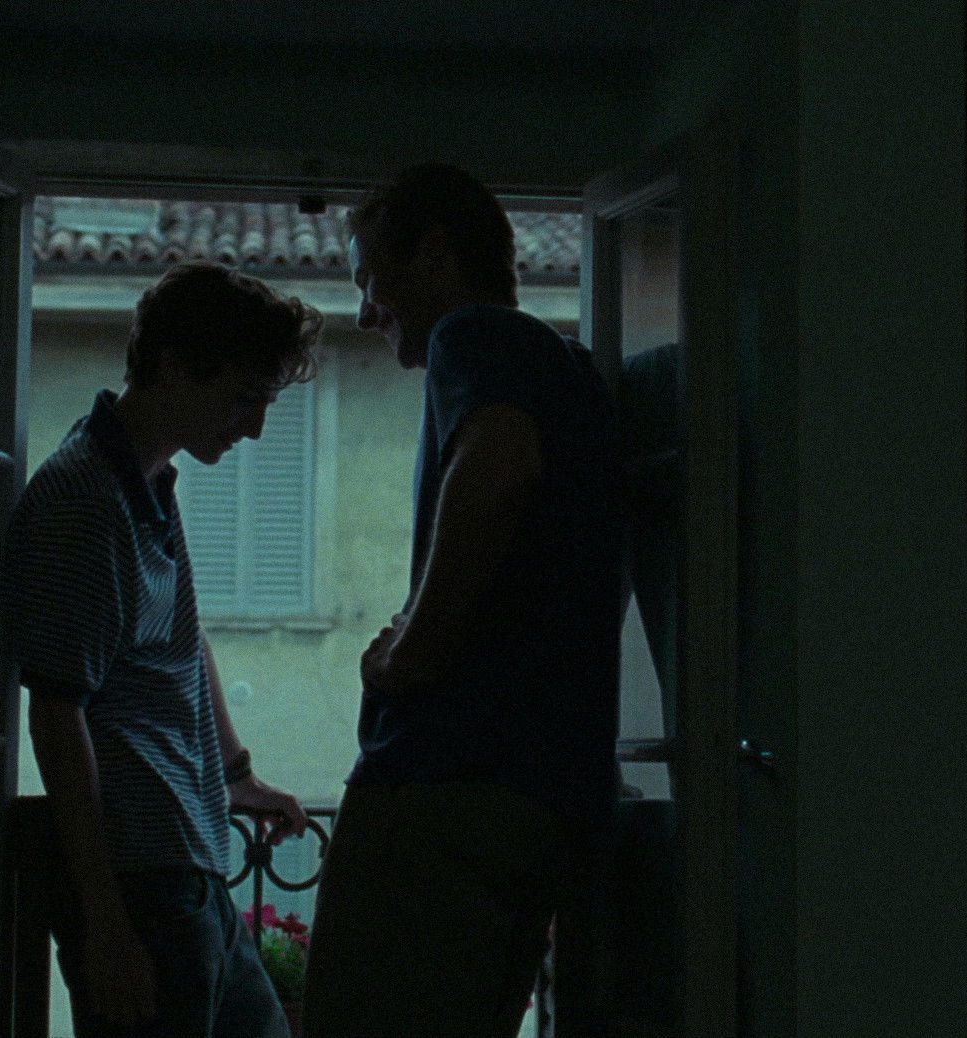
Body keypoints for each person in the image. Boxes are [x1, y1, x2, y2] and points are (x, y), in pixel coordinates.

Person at [302, 164, 628, 1038]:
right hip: (539, 792)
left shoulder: (475, 336)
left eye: (371, 280)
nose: (366, 312)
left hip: (445, 786)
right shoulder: (567, 370)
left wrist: (411, 650)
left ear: (438, 254)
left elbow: (499, 464)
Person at [3, 261, 320, 1038]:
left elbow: (181, 635)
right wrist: (105, 920)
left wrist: (235, 775)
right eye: (245, 397)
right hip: (140, 883)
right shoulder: (84, 501)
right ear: (175, 368)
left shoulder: (144, 481)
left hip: (186, 864)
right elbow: (56, 712)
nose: (255, 427)